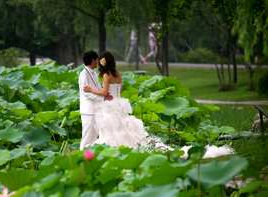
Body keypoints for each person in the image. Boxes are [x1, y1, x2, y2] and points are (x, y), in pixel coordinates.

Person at [83, 51, 234, 158]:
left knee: (112, 130)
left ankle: (113, 151)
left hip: (109, 105)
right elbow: (118, 92)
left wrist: (90, 89)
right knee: (123, 128)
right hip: (119, 103)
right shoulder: (118, 75)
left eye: (100, 61)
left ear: (103, 62)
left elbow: (104, 93)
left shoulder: (105, 75)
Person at [78, 51, 112, 150]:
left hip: (96, 109)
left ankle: (90, 157)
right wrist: (102, 97)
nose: (98, 62)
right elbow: (86, 93)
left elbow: (97, 89)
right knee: (87, 136)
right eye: (97, 60)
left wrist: (105, 94)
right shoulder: (83, 74)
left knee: (95, 136)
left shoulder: (94, 74)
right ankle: (82, 156)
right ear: (93, 60)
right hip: (88, 111)